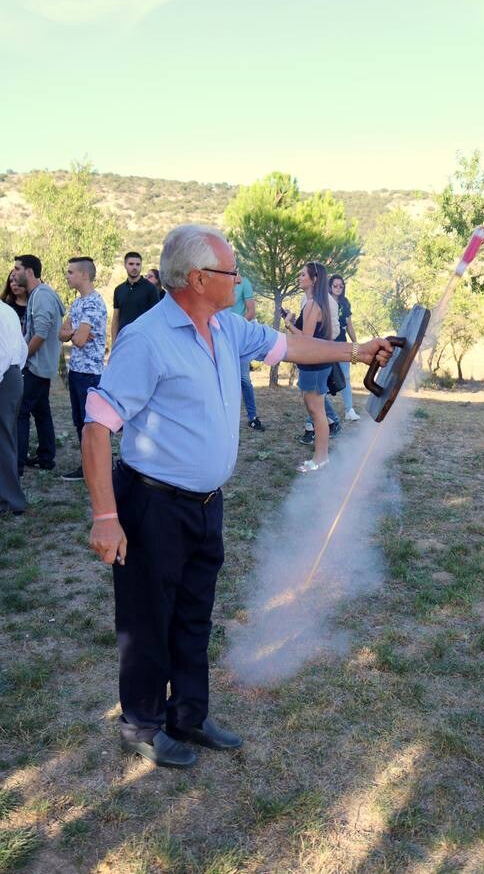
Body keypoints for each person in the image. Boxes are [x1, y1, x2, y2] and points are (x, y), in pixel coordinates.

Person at [82, 224, 392, 769]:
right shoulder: (146, 338)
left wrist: (356, 349)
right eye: (231, 272)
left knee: (195, 612)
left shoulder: (226, 327)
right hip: (151, 504)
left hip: (206, 503)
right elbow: (97, 426)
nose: (240, 279)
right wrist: (107, 515)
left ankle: (190, 715)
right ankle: (143, 724)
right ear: (198, 279)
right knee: (148, 618)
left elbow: (290, 346)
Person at [13, 254, 66, 475]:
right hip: (41, 365)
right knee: (41, 410)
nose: (14, 273)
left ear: (29, 272)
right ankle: (46, 457)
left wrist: (23, 357)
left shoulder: (42, 296)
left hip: (36, 365)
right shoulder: (39, 294)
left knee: (21, 412)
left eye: (17, 269)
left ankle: (16, 465)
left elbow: (41, 333)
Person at [284, 261, 338, 473]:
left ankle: (320, 458)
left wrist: (289, 325)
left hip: (314, 366)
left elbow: (306, 340)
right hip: (317, 365)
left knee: (317, 413)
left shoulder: (312, 305)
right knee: (317, 411)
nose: (299, 277)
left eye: (303, 275)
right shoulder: (316, 303)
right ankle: (321, 457)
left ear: (314, 280)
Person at [59, 257, 108, 481]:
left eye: (70, 272)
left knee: (90, 423)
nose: (67, 276)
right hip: (76, 369)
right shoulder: (78, 303)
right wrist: (76, 332)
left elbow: (77, 340)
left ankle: (95, 467)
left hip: (90, 373)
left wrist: (75, 333)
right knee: (79, 420)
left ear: (84, 275)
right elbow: (63, 334)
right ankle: (87, 466)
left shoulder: (93, 303)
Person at [0, 301, 28, 515]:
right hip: (11, 375)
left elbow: (5, 353)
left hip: (5, 378)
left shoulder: (2, 312)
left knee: (4, 440)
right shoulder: (7, 310)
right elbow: (22, 347)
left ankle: (11, 501)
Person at [230, 274, 265, 431]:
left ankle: (252, 417)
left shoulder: (244, 283)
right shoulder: (216, 282)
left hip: (238, 338)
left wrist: (236, 329)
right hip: (217, 337)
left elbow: (251, 311)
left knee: (244, 379)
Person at [329, 274, 360, 421]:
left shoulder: (345, 303)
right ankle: (324, 413)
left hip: (343, 344)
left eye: (341, 286)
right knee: (324, 378)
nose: (338, 288)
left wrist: (355, 344)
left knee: (346, 376)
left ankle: (349, 410)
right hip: (326, 344)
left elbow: (349, 325)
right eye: (335, 285)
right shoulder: (325, 302)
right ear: (330, 286)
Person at [111, 252, 158, 343]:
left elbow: (156, 317)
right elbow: (116, 319)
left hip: (143, 340)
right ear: (125, 265)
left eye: (138, 264)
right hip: (123, 339)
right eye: (131, 264)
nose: (135, 267)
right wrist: (114, 343)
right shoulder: (119, 290)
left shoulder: (150, 288)